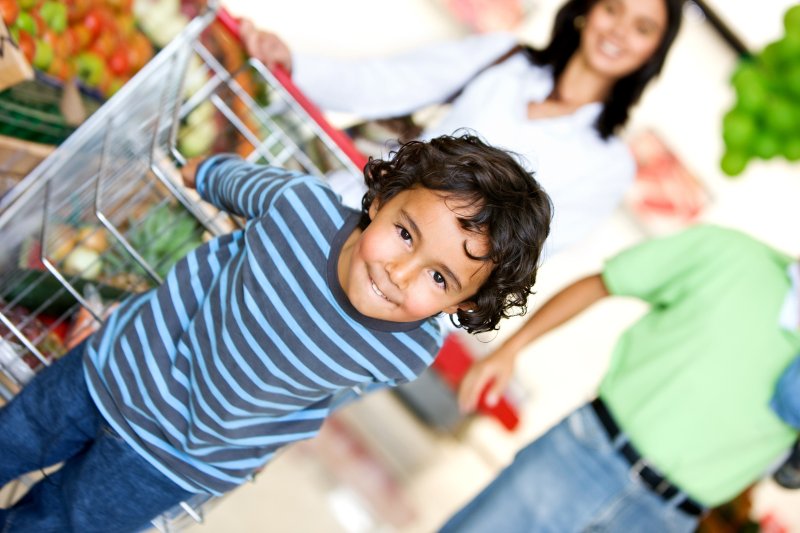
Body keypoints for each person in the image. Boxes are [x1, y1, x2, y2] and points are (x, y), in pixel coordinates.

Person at [0, 133, 552, 531]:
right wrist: (199, 172)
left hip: (176, 462)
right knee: (12, 437)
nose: (399, 273)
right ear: (381, 199)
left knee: (60, 526)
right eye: (405, 234)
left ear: (464, 303)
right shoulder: (299, 208)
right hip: (114, 371)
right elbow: (235, 182)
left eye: (439, 277)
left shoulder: (409, 349)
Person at [239, 0, 683, 256]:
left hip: (414, 291)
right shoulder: (505, 59)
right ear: (588, 9)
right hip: (343, 214)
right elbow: (389, 82)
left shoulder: (608, 164)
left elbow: (527, 251)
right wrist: (292, 62)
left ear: (652, 54)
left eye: (642, 28)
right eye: (613, 8)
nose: (619, 31)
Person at [443, 224, 800, 532]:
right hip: (583, 456)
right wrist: (510, 349)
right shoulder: (731, 255)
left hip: (665, 520)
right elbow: (604, 283)